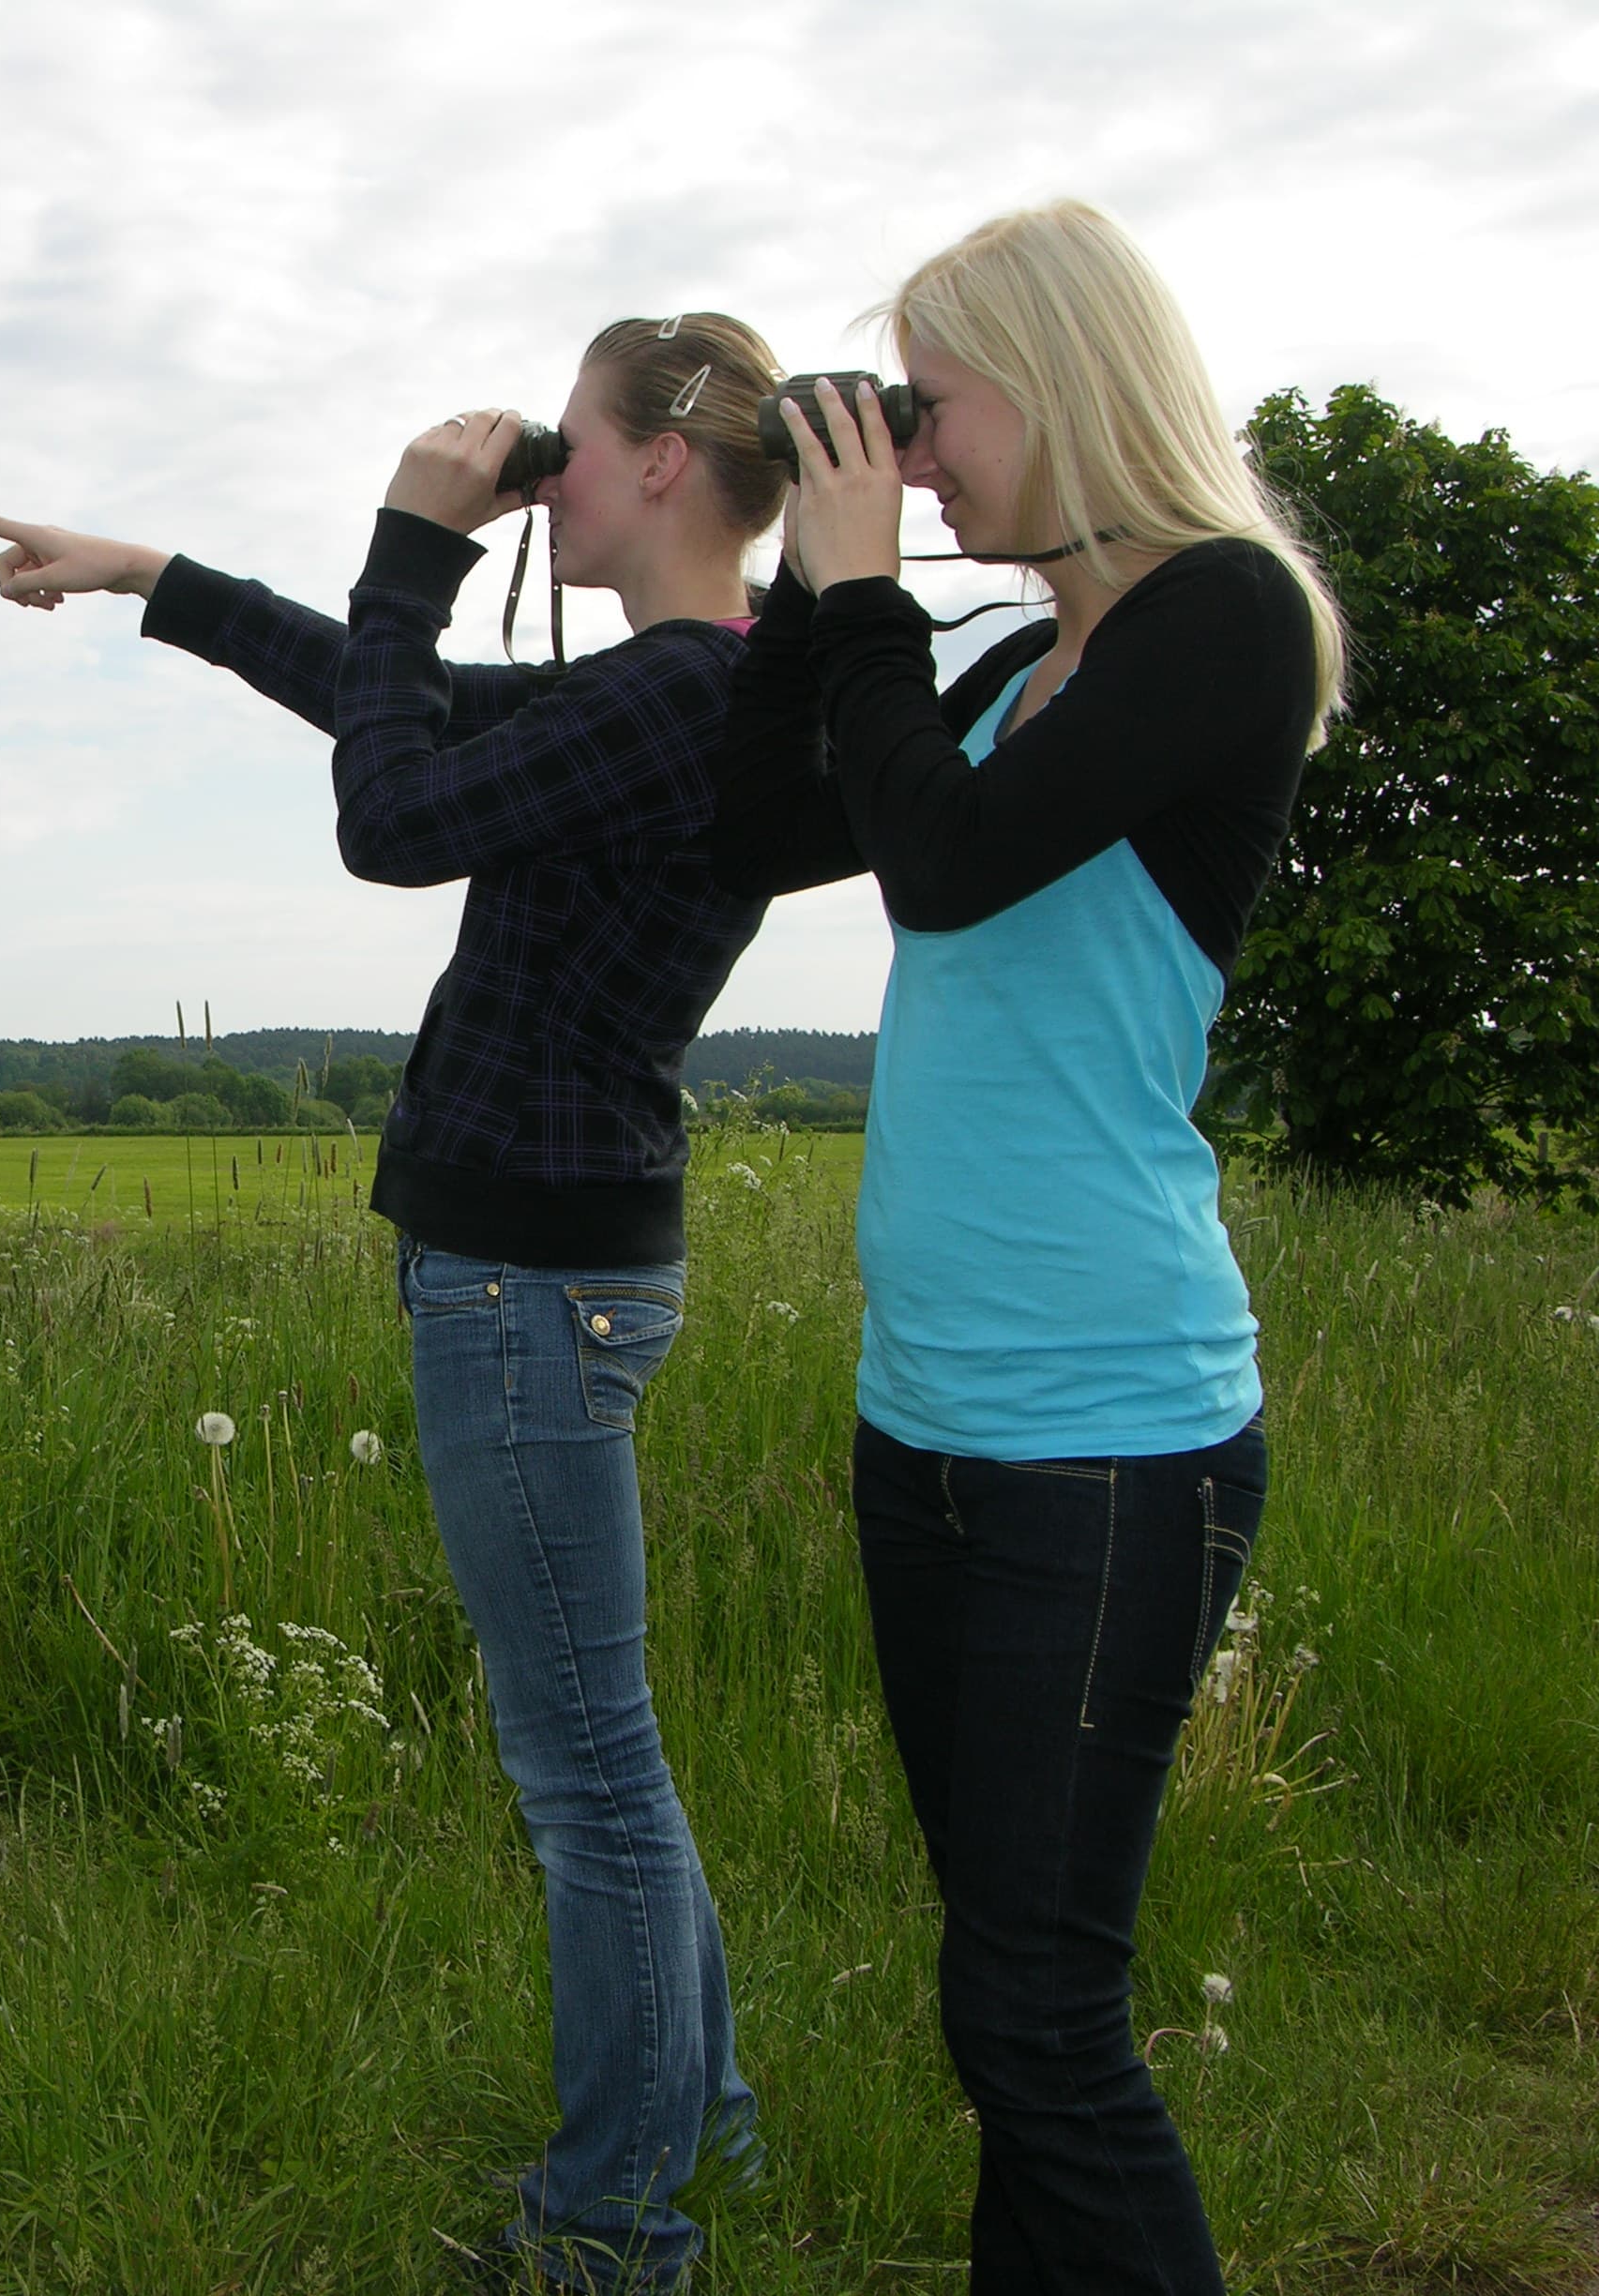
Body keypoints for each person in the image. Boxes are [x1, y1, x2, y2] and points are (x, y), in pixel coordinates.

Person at [0, 311, 788, 2290]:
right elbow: (378, 698)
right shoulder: (700, 688)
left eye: (565, 443)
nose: (541, 472)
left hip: (533, 1273)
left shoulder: (683, 691)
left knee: (583, 1777)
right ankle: (707, 2129)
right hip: (555, 1259)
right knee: (609, 1754)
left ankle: (614, 2233)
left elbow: (390, 817)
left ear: (659, 462)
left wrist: (417, 533)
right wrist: (156, 576)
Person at [707, 202, 1344, 2291]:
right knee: (1005, 2002)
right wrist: (817, 591)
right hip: (936, 1415)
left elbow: (956, 871)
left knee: (1037, 2016)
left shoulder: (1221, 616)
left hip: (1111, 1432)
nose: (916, 447)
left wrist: (866, 588)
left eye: (934, 403)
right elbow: (772, 815)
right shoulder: (998, 663)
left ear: (1060, 385)